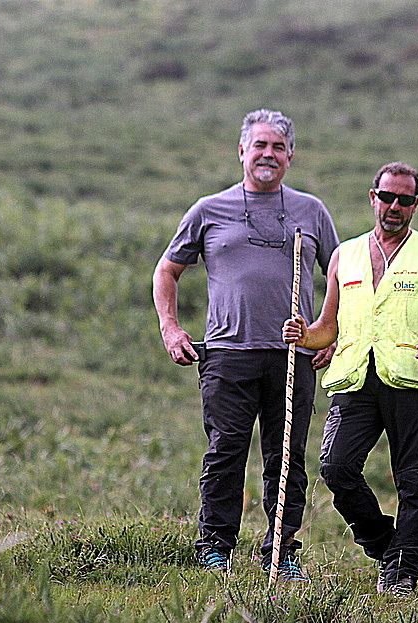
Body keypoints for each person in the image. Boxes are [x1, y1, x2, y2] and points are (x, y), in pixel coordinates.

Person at [153, 109, 339, 580]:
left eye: (277, 147)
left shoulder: (310, 211)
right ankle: (214, 546)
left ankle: (282, 549)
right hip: (227, 354)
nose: (268, 155)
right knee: (225, 451)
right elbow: (167, 270)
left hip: (293, 357)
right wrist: (171, 329)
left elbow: (342, 278)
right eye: (259, 145)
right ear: (241, 151)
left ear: (290, 157)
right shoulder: (209, 209)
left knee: (287, 456)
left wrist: (330, 333)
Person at [282, 162, 418, 595]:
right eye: (387, 197)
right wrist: (305, 334)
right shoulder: (344, 255)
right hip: (354, 379)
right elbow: (328, 326)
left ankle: (403, 571)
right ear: (373, 198)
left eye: (404, 200)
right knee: (336, 467)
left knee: (413, 480)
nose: (394, 206)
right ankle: (385, 544)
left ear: (415, 206)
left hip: (410, 380)